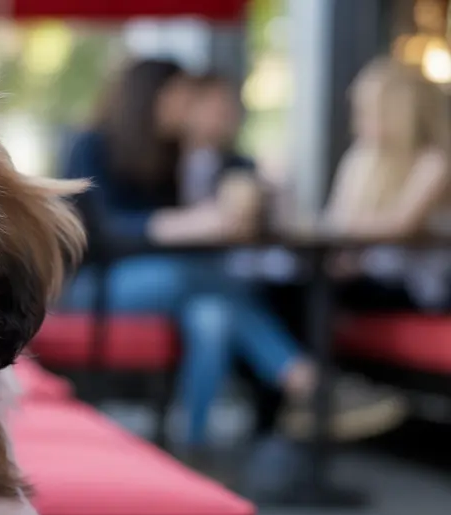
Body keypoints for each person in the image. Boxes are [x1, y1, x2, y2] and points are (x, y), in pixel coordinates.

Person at [56, 59, 407, 452]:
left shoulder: (173, 154)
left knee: (214, 317)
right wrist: (190, 222)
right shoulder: (91, 144)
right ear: (150, 97)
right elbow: (107, 229)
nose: (187, 109)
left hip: (178, 286)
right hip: (94, 287)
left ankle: (191, 446)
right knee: (187, 274)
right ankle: (305, 379)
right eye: (182, 98)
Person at [325, 57, 451, 313]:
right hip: (371, 276)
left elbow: (399, 225)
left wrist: (349, 226)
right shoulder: (363, 158)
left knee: (316, 293)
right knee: (295, 289)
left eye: (370, 112)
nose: (360, 123)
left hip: (417, 287)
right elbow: (337, 221)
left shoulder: (434, 162)